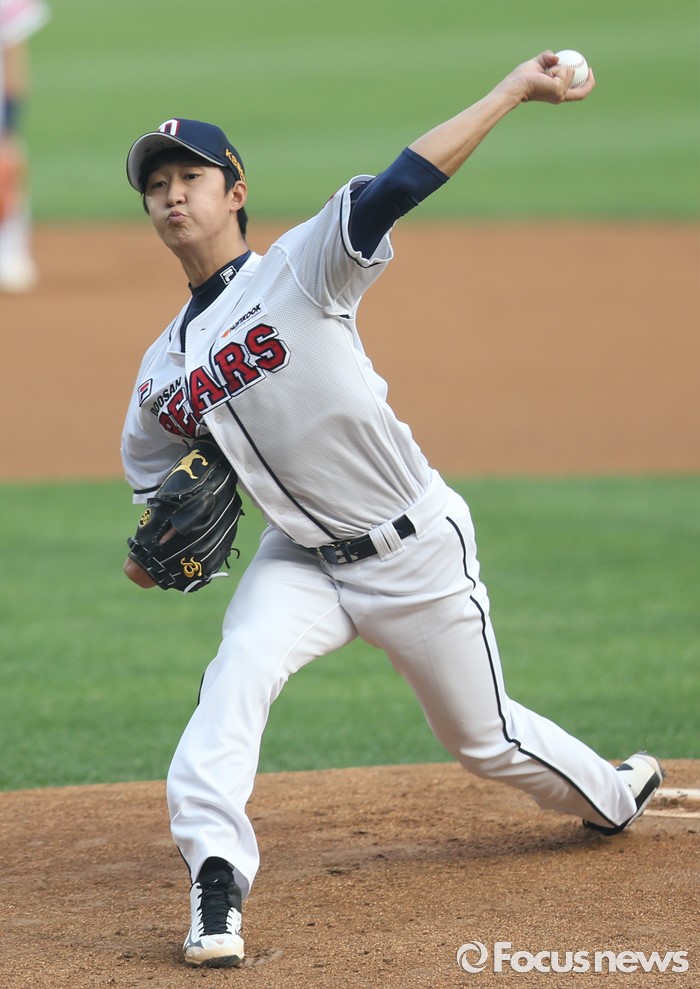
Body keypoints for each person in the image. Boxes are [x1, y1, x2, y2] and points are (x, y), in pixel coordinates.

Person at [121, 51, 663, 969]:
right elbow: (150, 503)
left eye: (191, 178)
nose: (173, 195)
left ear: (235, 192)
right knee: (236, 672)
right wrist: (148, 553)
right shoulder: (159, 372)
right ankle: (217, 879)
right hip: (300, 559)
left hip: (414, 547)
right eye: (157, 185)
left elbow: (402, 183)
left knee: (483, 738)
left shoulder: (301, 269)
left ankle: (611, 795)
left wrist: (512, 91)